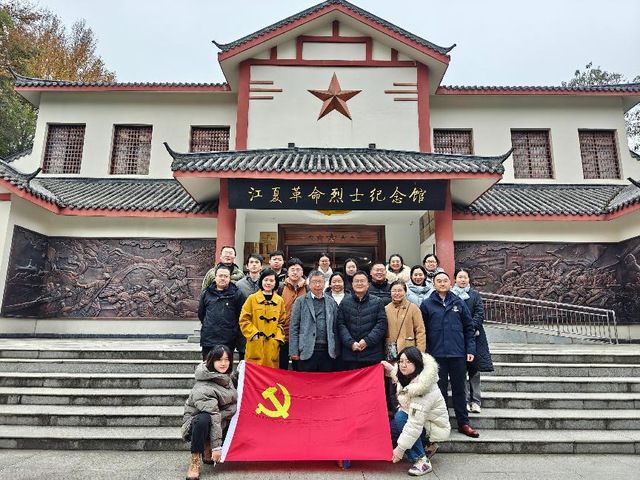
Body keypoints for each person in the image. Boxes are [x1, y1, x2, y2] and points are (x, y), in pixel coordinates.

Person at [420, 271, 479, 438]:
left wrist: (470, 349)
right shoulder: (427, 304)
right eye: (438, 281)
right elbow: (422, 330)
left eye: (445, 280)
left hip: (457, 354)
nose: (442, 283)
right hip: (436, 355)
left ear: (450, 283)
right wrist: (425, 353)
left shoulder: (459, 303)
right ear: (433, 284)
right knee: (440, 391)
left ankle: (463, 423)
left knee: (460, 389)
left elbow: (469, 328)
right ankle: (442, 424)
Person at [383, 347, 450, 477]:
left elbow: (414, 424)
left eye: (408, 362)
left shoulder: (423, 389)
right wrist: (390, 368)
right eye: (401, 361)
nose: (403, 365)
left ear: (417, 362)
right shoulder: (411, 375)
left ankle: (421, 460)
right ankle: (427, 446)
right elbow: (400, 375)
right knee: (392, 431)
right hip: (421, 421)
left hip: (430, 427)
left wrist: (400, 449)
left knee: (401, 419)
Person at [181, 345, 237, 480]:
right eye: (219, 360)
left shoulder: (225, 377)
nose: (223, 363)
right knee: (204, 419)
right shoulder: (204, 387)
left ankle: (208, 448)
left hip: (219, 419)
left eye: (226, 359)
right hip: (197, 426)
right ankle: (195, 460)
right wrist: (217, 448)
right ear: (212, 361)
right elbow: (213, 415)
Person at [452, 269, 494, 414]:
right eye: (460, 277)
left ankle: (476, 401)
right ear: (455, 279)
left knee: (474, 370)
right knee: (461, 371)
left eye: (465, 277)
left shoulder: (475, 295)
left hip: (475, 337)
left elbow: (479, 313)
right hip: (457, 337)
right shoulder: (451, 296)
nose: (462, 280)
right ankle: (464, 400)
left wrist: (469, 328)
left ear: (469, 279)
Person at [289, 270, 340, 372]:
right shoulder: (300, 301)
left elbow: (335, 327)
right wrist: (294, 351)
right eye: (314, 282)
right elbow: (294, 327)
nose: (317, 285)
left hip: (327, 351)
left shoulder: (331, 302)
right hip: (306, 349)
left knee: (325, 380)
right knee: (306, 380)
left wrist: (336, 350)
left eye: (320, 282)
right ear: (309, 284)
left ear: (324, 283)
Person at [337, 270, 387, 370]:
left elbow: (381, 325)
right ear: (352, 284)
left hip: (372, 354)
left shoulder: (377, 302)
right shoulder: (344, 302)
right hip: (350, 354)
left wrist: (367, 341)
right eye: (356, 281)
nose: (359, 283)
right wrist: (350, 343)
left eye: (362, 281)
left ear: (368, 284)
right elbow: (340, 324)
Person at [239, 269, 286, 368]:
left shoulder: (279, 301)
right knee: (254, 373)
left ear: (276, 283)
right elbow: (244, 319)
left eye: (271, 281)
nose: (268, 283)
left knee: (270, 375)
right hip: (255, 344)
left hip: (272, 346)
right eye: (266, 280)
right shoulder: (252, 298)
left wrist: (277, 338)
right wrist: (253, 334)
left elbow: (282, 322)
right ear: (261, 281)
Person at [197, 265, 244, 361]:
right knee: (208, 365)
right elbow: (201, 314)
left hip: (228, 339)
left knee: (225, 366)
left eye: (226, 276)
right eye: (220, 276)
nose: (223, 278)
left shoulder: (237, 294)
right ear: (215, 277)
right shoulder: (206, 293)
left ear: (230, 278)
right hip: (209, 338)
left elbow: (240, 315)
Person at [277, 258, 308, 370]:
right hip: (283, 334)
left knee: (299, 369)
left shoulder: (308, 289)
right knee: (282, 368)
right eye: (292, 269)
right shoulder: (280, 288)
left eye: (298, 270)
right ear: (288, 272)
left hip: (301, 336)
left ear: (302, 272)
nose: (295, 272)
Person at [385, 281, 426, 360]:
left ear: (405, 292)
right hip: (391, 352)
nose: (397, 293)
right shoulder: (386, 309)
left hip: (409, 350)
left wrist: (420, 352)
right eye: (394, 291)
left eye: (400, 290)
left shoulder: (413, 308)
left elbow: (420, 331)